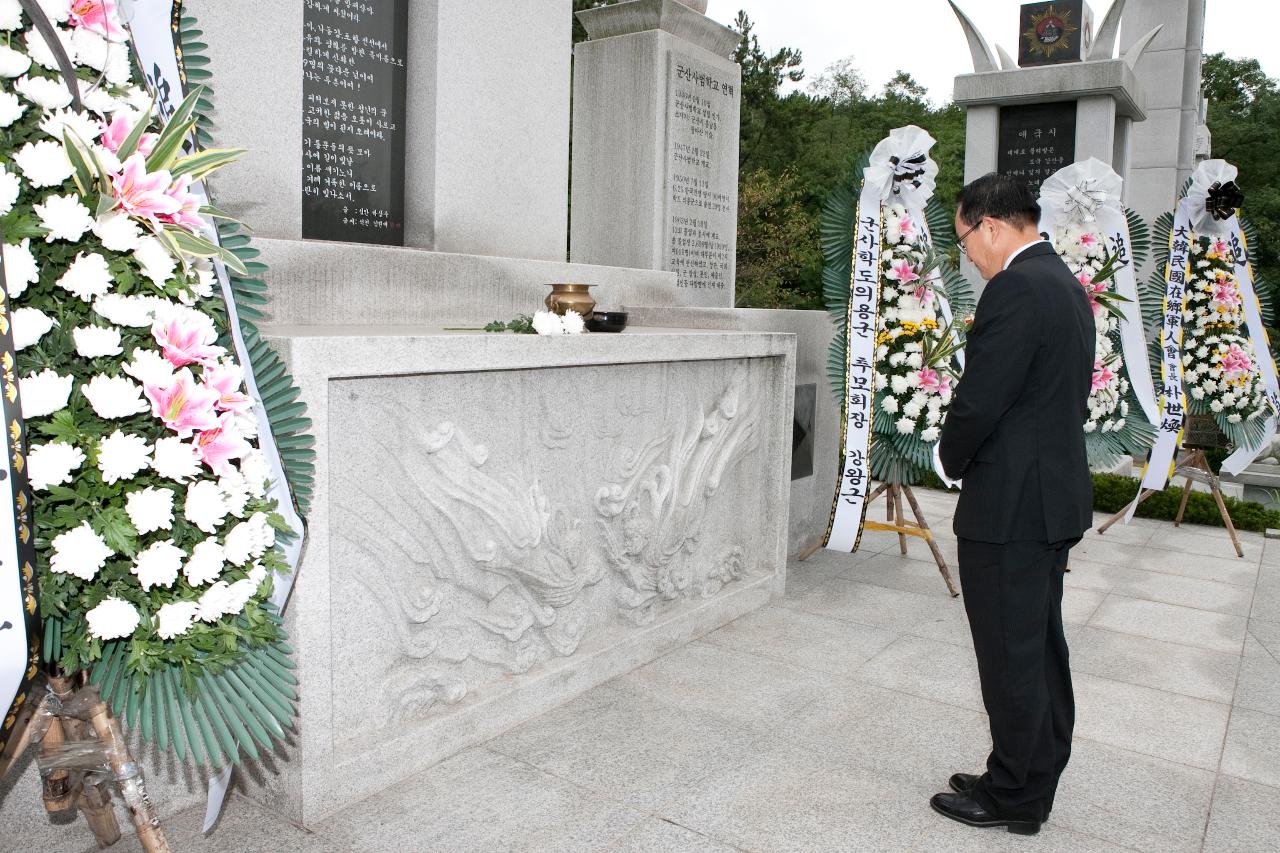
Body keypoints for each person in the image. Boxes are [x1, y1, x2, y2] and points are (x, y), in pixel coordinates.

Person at [932, 172, 1094, 836]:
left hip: (1011, 506)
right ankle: (1029, 768)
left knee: (1010, 653)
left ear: (991, 225)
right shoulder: (1062, 283)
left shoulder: (1016, 289)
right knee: (1037, 646)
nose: (967, 253)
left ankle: (1015, 793)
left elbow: (982, 398)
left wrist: (946, 458)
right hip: (1047, 499)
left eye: (965, 237)